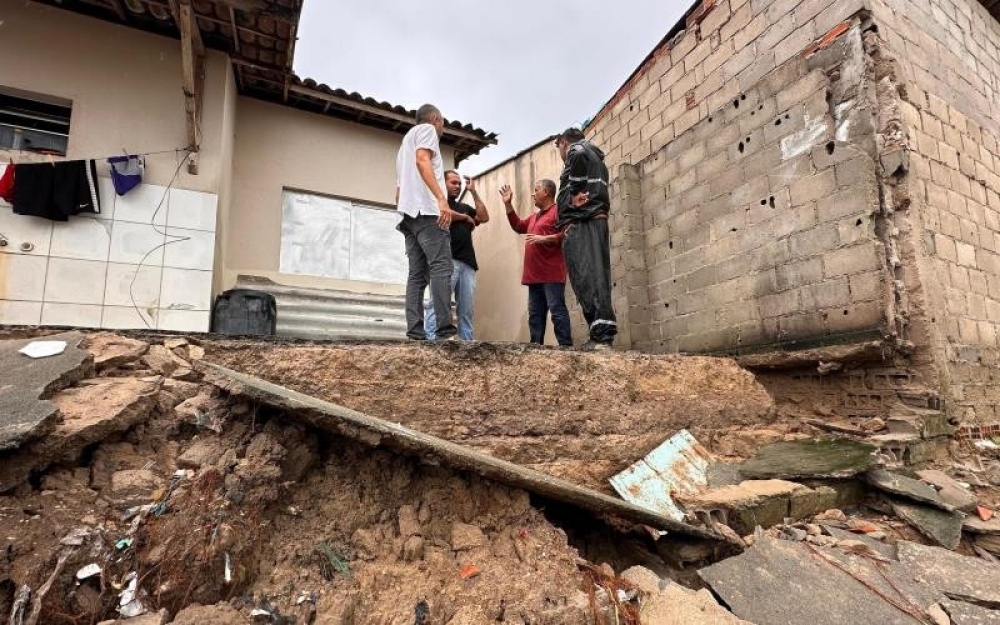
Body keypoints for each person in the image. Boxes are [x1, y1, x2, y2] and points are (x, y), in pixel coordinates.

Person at [395, 104, 457, 340]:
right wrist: (442, 199)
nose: (443, 127)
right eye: (442, 121)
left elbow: (399, 191)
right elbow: (423, 161)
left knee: (417, 275)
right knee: (442, 267)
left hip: (408, 215)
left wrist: (403, 216)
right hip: (427, 212)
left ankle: (415, 333)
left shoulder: (403, 146)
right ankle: (444, 332)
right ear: (435, 119)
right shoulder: (427, 131)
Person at [556, 127, 617, 349]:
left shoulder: (578, 150)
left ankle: (601, 335)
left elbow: (577, 155)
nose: (563, 155)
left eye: (560, 149)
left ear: (563, 143)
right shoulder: (597, 158)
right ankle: (600, 333)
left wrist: (575, 191)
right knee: (592, 277)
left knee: (588, 277)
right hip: (588, 221)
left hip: (584, 222)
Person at [501, 179, 572, 347]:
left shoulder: (558, 211)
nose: (533, 194)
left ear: (546, 192)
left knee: (556, 310)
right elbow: (518, 226)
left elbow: (568, 233)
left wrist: (545, 238)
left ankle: (566, 347)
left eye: (536, 190)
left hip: (552, 274)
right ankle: (535, 347)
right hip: (534, 276)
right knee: (535, 315)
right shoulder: (534, 217)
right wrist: (507, 204)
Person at [424, 171, 489, 340]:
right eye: (453, 183)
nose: (458, 186)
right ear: (443, 183)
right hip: (447, 261)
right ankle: (431, 339)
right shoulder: (438, 202)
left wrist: (473, 191)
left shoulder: (464, 207)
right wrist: (465, 218)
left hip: (468, 264)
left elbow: (483, 217)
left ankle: (466, 343)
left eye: (459, 183)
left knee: (466, 309)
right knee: (438, 302)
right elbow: (443, 212)